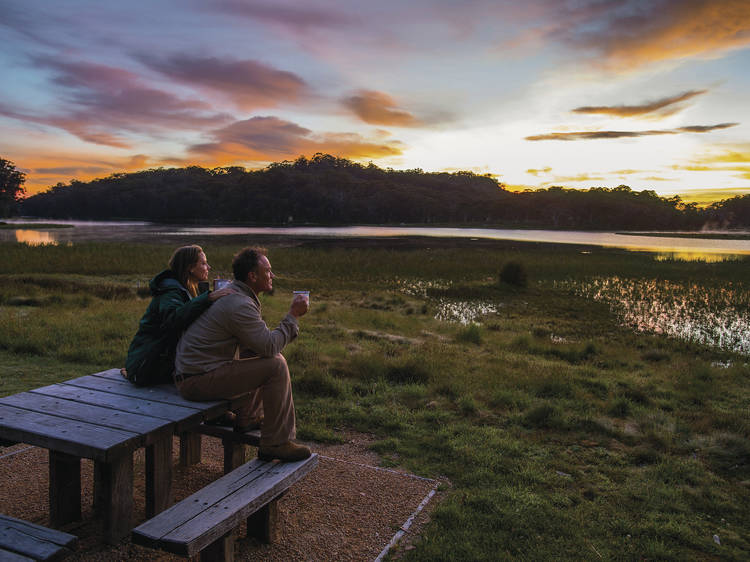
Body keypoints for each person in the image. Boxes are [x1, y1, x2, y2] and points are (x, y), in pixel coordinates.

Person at [175, 246, 311, 463]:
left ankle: (247, 418)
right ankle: (275, 443)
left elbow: (257, 346)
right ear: (252, 276)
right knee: (276, 365)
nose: (272, 275)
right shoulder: (238, 303)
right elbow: (269, 346)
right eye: (268, 271)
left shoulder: (235, 295)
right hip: (195, 380)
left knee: (259, 357)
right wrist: (293, 316)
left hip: (196, 372)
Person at [123, 245, 233, 386]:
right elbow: (173, 320)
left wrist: (211, 296)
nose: (209, 267)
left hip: (161, 362)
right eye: (204, 263)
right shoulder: (171, 291)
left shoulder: (188, 289)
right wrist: (208, 298)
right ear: (191, 267)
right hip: (147, 366)